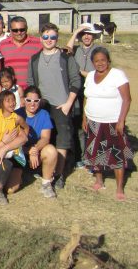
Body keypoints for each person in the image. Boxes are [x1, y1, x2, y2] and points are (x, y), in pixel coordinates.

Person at [27, 23, 81, 190]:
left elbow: (76, 81)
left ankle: (59, 174)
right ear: (40, 38)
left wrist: (68, 104)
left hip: (61, 105)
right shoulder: (35, 59)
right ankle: (44, 169)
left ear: (57, 38)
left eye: (53, 37)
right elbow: (31, 83)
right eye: (45, 37)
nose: (49, 40)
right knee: (45, 138)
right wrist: (34, 104)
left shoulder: (66, 58)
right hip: (42, 106)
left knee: (62, 141)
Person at [82, 47, 132, 201]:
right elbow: (86, 97)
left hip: (112, 122)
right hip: (93, 121)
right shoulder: (90, 76)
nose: (100, 63)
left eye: (103, 60)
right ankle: (99, 180)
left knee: (117, 155)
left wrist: (121, 120)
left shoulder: (117, 75)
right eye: (96, 61)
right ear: (92, 62)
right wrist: (84, 117)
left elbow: (127, 99)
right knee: (95, 153)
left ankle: (119, 188)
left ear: (108, 60)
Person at [11, 86, 58, 198]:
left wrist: (35, 150)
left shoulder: (44, 114)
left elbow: (45, 138)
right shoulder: (16, 115)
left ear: (40, 101)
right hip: (19, 153)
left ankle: (46, 184)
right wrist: (29, 151)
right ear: (23, 100)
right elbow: (12, 142)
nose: (32, 104)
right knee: (10, 189)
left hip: (36, 153)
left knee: (51, 150)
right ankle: (22, 174)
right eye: (29, 100)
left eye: (36, 101)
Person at [65, 22, 101, 167]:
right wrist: (75, 32)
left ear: (94, 36)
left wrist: (79, 72)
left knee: (92, 126)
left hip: (92, 92)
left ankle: (92, 156)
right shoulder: (76, 50)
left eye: (89, 34)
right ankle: (79, 156)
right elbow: (67, 50)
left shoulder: (99, 51)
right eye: (83, 34)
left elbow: (99, 73)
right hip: (76, 92)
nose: (86, 36)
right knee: (77, 125)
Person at [0, 16, 42, 89]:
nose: (19, 33)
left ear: (27, 28)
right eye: (15, 30)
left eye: (22, 30)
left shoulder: (38, 43)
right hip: (11, 90)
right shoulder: (2, 45)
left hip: (32, 90)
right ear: (10, 30)